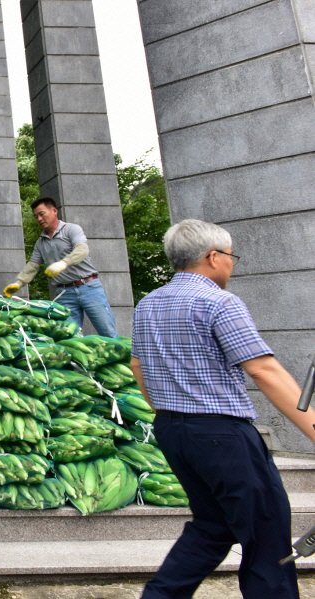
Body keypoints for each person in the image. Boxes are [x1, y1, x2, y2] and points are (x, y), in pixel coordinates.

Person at [130, 219, 315, 599]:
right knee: (266, 533)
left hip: (173, 431)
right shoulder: (218, 301)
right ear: (213, 257)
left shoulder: (149, 303)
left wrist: (171, 412)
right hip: (222, 435)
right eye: (231, 256)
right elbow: (263, 369)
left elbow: (137, 366)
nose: (232, 264)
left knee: (214, 526)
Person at [3, 197, 118, 337]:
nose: (39, 219)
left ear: (54, 211)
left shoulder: (71, 229)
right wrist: (18, 283)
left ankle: (124, 359)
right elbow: (33, 266)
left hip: (89, 287)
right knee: (68, 336)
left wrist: (64, 263)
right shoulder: (40, 242)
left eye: (41, 214)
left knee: (107, 332)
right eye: (36, 216)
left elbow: (82, 250)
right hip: (64, 293)